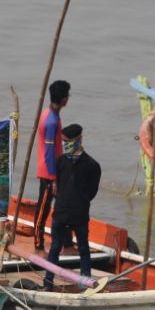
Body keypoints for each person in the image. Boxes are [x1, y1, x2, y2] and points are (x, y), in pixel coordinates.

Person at [42, 124, 100, 291]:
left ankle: (86, 282)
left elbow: (92, 191)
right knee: (55, 248)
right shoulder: (60, 162)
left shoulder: (92, 165)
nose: (65, 144)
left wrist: (80, 201)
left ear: (78, 140)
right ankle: (48, 283)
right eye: (63, 141)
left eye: (68, 141)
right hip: (60, 212)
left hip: (80, 213)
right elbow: (56, 187)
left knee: (83, 248)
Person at [33, 79, 70, 251]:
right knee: (44, 208)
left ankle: (65, 242)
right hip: (49, 171)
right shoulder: (51, 120)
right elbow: (48, 153)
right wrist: (53, 178)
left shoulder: (52, 115)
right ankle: (38, 242)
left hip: (56, 170)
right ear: (63, 99)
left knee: (64, 205)